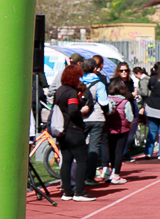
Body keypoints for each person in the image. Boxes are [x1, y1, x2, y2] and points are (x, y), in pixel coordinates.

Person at [53, 64, 95, 201]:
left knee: (66, 160)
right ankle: (79, 192)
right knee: (82, 159)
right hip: (73, 130)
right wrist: (81, 113)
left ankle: (67, 191)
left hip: (62, 130)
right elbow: (73, 111)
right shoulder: (71, 92)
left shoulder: (59, 91)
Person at [105, 78, 135, 183]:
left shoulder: (107, 100)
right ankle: (116, 174)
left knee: (111, 151)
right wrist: (129, 124)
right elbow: (130, 117)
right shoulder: (125, 102)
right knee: (119, 152)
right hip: (122, 129)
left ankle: (111, 172)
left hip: (109, 128)